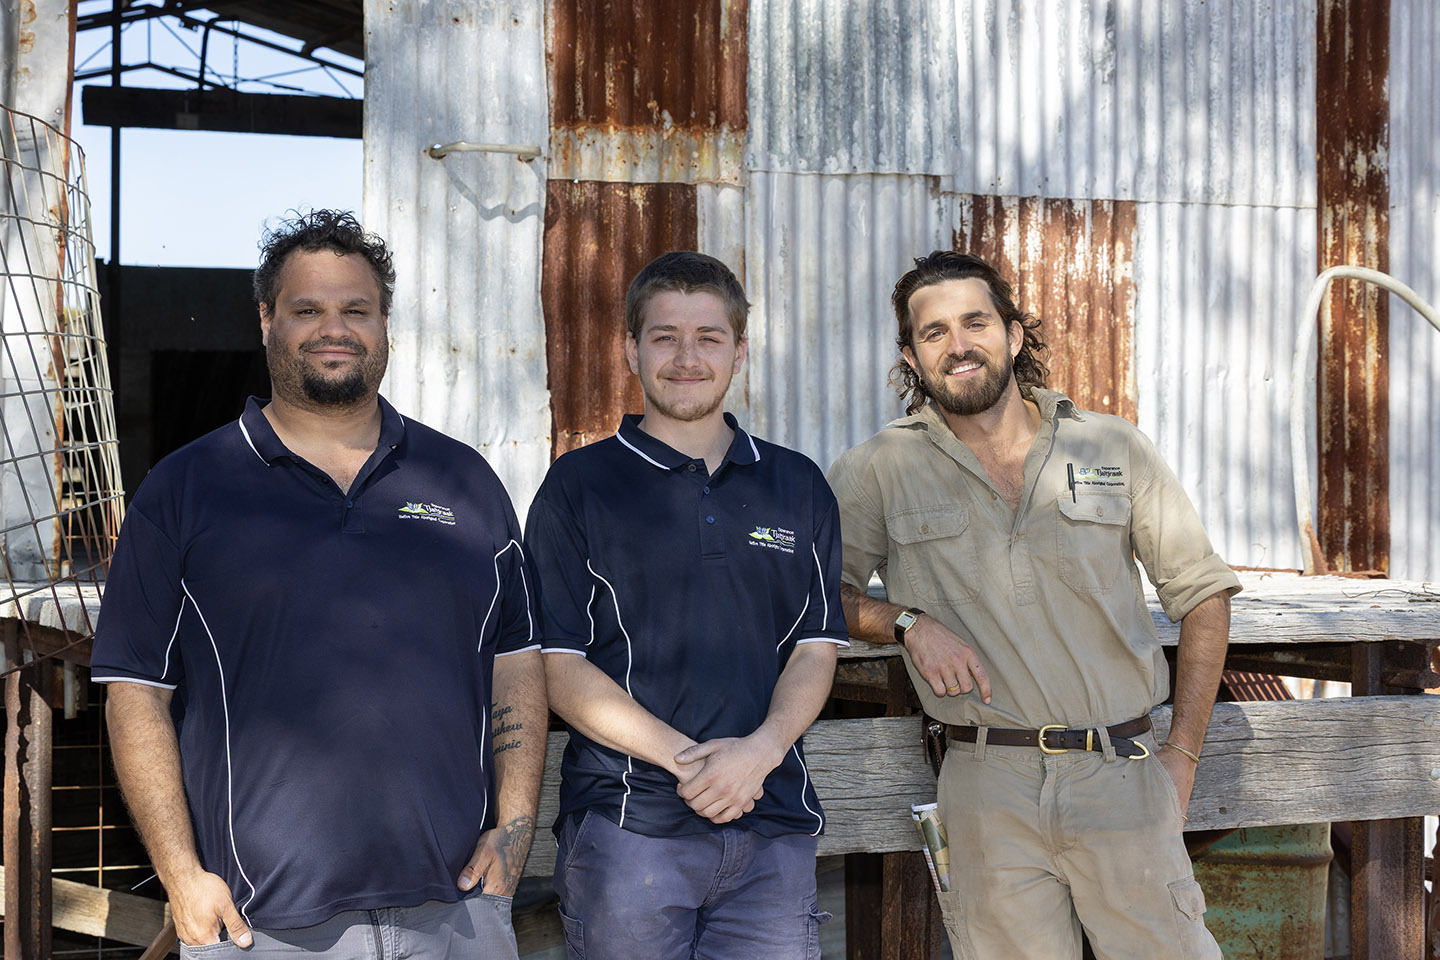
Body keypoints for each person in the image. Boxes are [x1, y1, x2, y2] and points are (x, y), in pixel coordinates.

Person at [91, 210, 545, 958]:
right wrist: (180, 873)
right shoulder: (186, 488)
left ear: (385, 323)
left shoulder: (463, 480)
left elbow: (516, 657)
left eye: (356, 310)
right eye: (307, 310)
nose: (335, 329)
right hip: (262, 925)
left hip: (458, 910)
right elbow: (136, 690)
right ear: (266, 320)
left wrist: (515, 827)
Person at [827, 251, 1240, 959]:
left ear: (1014, 335)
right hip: (987, 784)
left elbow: (1203, 593)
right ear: (912, 357)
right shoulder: (879, 469)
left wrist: (1183, 755)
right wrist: (905, 623)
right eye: (934, 332)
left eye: (976, 322)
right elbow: (813, 596)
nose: (958, 345)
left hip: (1122, 772)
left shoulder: (1111, 446)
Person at [525, 251, 846, 959]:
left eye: (708, 337)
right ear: (630, 349)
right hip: (630, 828)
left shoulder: (797, 484)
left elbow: (815, 646)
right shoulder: (578, 486)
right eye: (665, 336)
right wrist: (697, 766)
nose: (687, 358)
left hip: (772, 824)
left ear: (740, 350)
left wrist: (759, 753)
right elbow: (558, 663)